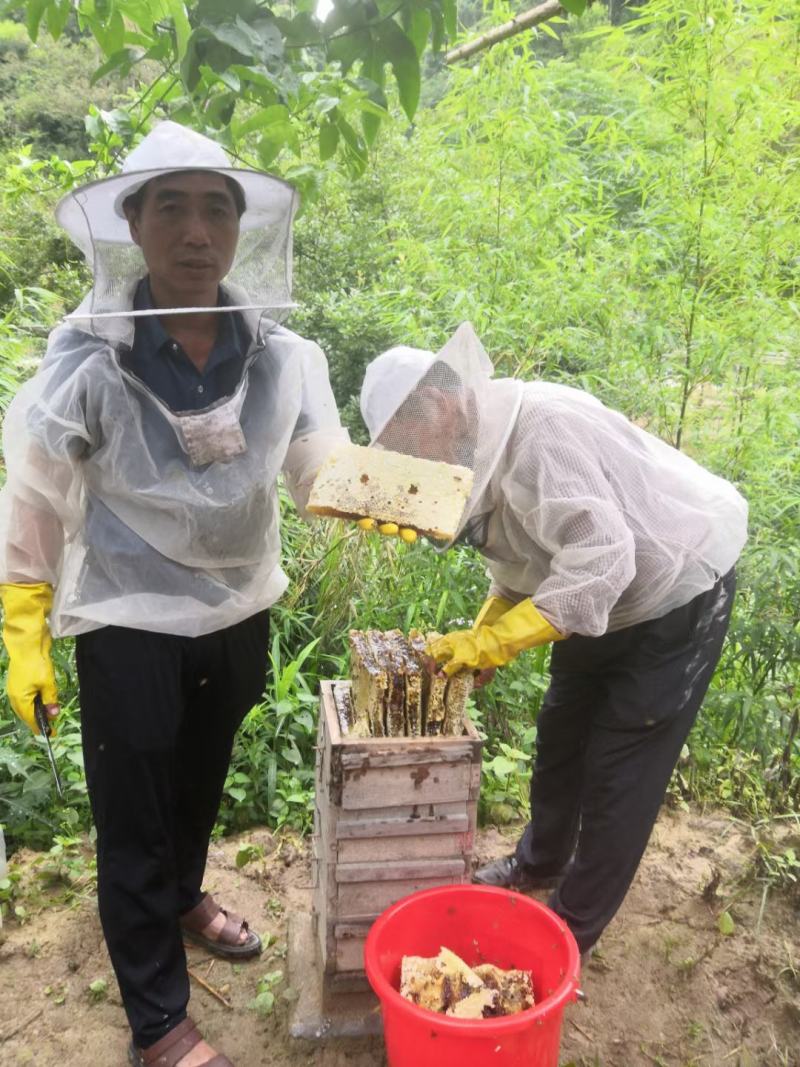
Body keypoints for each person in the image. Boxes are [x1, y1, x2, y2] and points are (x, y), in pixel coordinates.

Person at [0, 122, 347, 1067]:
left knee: (199, 776)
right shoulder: (88, 356)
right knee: (134, 810)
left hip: (239, 610)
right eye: (172, 206)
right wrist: (23, 621)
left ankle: (186, 891)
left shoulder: (279, 353)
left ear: (241, 229)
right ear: (133, 223)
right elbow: (35, 496)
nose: (197, 231)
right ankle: (158, 1017)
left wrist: (383, 493)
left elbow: (319, 464)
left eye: (218, 207)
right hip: (127, 619)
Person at [359, 321, 747, 961]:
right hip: (596, 600)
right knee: (562, 731)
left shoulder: (539, 430)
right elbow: (525, 561)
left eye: (407, 439)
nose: (411, 458)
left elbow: (603, 560)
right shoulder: (477, 447)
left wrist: (499, 644)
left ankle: (567, 933)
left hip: (676, 584)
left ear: (442, 403)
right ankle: (538, 862)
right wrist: (484, 631)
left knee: (620, 767)